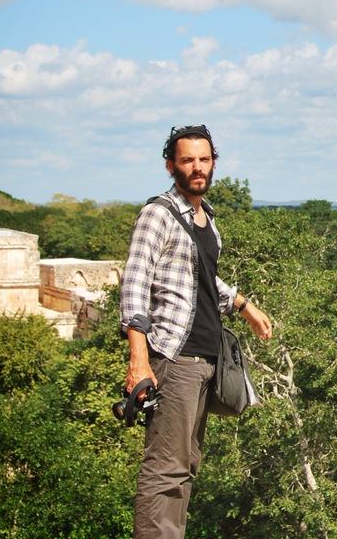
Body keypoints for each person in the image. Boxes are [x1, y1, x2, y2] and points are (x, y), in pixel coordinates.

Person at [120, 124, 272, 539]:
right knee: (165, 469)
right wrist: (139, 362)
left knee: (186, 465)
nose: (197, 167)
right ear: (171, 165)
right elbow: (134, 286)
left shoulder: (206, 219)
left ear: (214, 163)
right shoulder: (157, 214)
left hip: (206, 356)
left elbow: (202, 281)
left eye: (204, 159)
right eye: (187, 160)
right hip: (174, 356)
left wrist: (244, 306)